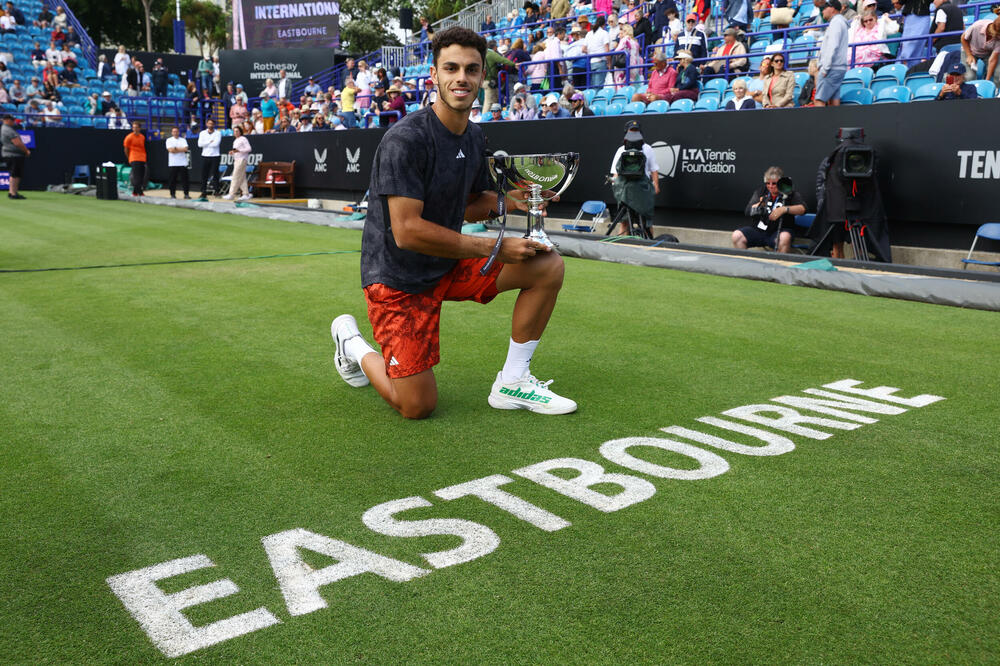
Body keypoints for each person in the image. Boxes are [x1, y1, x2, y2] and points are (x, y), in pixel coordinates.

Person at [330, 26, 577, 419]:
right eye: (451, 68)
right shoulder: (405, 139)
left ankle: (513, 382)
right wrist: (496, 246)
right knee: (417, 406)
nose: (461, 77)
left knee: (546, 265)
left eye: (471, 69)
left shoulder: (474, 136)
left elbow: (468, 206)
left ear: (482, 77)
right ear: (435, 76)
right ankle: (353, 346)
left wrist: (515, 201)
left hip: (446, 263)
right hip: (397, 278)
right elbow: (408, 231)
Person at [732, 166, 807, 253]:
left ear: (780, 182)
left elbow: (803, 209)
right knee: (737, 235)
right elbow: (748, 211)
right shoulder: (761, 191)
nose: (770, 186)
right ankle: (744, 264)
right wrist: (759, 206)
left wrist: (784, 209)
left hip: (780, 230)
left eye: (774, 183)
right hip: (759, 230)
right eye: (768, 183)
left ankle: (779, 264)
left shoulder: (789, 192)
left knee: (784, 237)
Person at [608, 120, 661, 236]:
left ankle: (650, 248)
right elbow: (615, 174)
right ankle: (621, 248)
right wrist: (617, 187)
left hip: (643, 193)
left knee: (647, 224)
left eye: (636, 130)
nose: (633, 132)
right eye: (631, 130)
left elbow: (654, 170)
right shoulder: (620, 150)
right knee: (624, 223)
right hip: (625, 193)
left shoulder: (648, 149)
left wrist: (656, 185)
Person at [815, 0, 849, 106]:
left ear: (833, 9)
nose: (823, 10)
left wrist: (825, 67)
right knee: (834, 100)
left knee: (819, 100)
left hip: (832, 68)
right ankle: (836, 123)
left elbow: (832, 46)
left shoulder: (836, 22)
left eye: (825, 7)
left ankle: (818, 123)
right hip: (838, 67)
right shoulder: (839, 22)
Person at [961, 16, 1000, 86]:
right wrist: (969, 55)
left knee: (998, 73)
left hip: (988, 53)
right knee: (970, 77)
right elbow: (963, 38)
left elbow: (992, 60)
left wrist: (987, 81)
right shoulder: (977, 25)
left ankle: (994, 93)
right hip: (970, 50)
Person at [1, 113, 28, 198]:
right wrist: (26, 150)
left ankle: (13, 192)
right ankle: (13, 193)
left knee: (15, 173)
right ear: (7, 120)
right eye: (12, 120)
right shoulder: (8, 130)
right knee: (15, 174)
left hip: (12, 154)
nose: (14, 121)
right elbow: (17, 143)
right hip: (13, 154)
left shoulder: (6, 128)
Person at [224, 125, 252, 201]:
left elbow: (249, 149)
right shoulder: (235, 140)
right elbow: (236, 150)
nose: (235, 133)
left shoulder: (243, 139)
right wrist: (232, 152)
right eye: (234, 131)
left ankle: (231, 194)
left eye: (237, 131)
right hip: (236, 160)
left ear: (240, 132)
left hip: (242, 159)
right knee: (242, 178)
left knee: (235, 176)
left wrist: (239, 151)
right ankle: (246, 194)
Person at [197, 118, 221, 198]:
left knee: (215, 174)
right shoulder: (202, 133)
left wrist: (206, 143)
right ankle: (203, 192)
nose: (210, 125)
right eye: (209, 123)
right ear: (207, 124)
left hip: (215, 156)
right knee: (204, 175)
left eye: (212, 124)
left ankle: (217, 191)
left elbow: (216, 144)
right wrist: (210, 141)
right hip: (205, 156)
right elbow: (199, 144)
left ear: (214, 125)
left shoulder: (218, 133)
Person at [164, 126, 190, 199]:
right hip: (173, 163)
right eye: (174, 131)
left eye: (177, 131)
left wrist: (175, 149)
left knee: (185, 180)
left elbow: (186, 149)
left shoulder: (183, 140)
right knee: (172, 180)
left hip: (183, 163)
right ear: (172, 132)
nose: (175, 133)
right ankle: (172, 194)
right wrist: (179, 149)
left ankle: (186, 194)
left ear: (179, 132)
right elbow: (170, 150)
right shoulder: (169, 140)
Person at [123, 121, 147, 197]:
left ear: (139, 128)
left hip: (142, 158)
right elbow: (126, 149)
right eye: (134, 127)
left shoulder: (142, 137)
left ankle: (135, 192)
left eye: (136, 127)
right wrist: (129, 158)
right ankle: (140, 192)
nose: (135, 129)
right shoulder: (129, 137)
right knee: (136, 176)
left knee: (142, 176)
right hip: (134, 158)